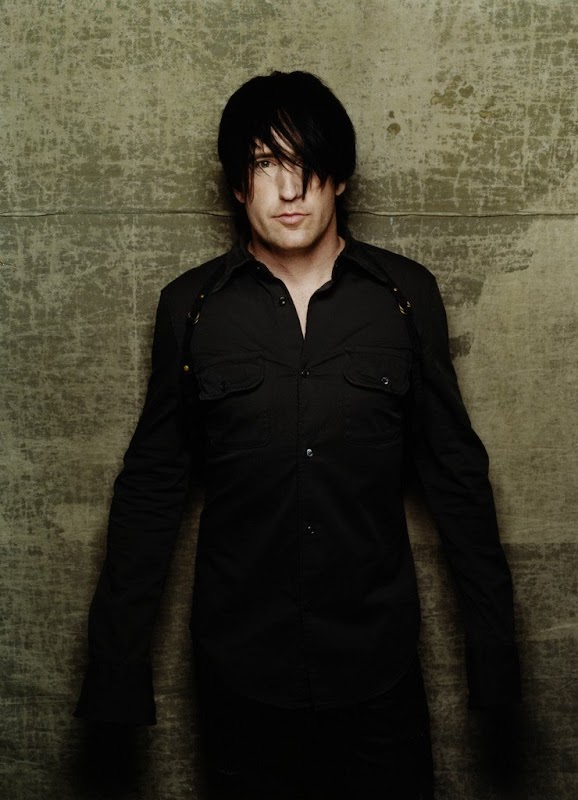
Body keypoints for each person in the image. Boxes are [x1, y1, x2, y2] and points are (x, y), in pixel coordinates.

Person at [75, 71, 520, 799]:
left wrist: (495, 659)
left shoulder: (406, 298)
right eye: (264, 164)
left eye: (306, 163)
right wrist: (115, 674)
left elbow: (456, 476)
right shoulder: (189, 308)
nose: (289, 190)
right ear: (236, 184)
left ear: (339, 177)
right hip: (240, 671)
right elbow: (151, 489)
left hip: (377, 666)